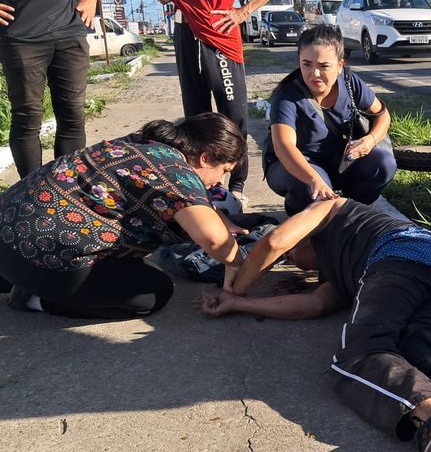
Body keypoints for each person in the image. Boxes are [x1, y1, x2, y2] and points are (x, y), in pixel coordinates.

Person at [196, 198, 431, 452]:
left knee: (357, 356)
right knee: (421, 350)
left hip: (398, 261)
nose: (294, 261)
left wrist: (235, 288)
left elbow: (274, 242)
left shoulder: (330, 209)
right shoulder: (340, 268)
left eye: (294, 255)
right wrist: (241, 306)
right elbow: (315, 305)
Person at [0, 113, 249, 319]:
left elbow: (188, 204)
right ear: (205, 158)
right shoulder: (175, 173)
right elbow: (213, 239)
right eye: (224, 171)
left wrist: (223, 221)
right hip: (37, 254)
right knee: (152, 293)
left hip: (8, 231)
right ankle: (35, 299)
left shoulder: (146, 145)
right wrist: (237, 263)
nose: (220, 181)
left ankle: (21, 279)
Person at [137, 0, 284, 203]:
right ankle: (200, 185)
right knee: (195, 117)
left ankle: (236, 187)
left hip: (222, 37)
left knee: (234, 116)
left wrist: (244, 11)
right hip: (185, 34)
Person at [262, 25, 396, 216]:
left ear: (340, 65)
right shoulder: (287, 95)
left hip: (338, 159)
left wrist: (370, 140)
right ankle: (300, 219)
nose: (314, 73)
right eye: (306, 64)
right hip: (295, 163)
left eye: (323, 66)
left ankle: (354, 209)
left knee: (384, 163)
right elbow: (284, 146)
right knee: (310, 190)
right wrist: (313, 179)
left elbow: (383, 115)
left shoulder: (350, 82)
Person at [0, 0, 96, 180]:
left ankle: (65, 187)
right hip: (21, 34)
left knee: (73, 115)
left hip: (69, 30)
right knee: (28, 117)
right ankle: (31, 191)